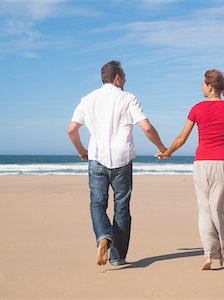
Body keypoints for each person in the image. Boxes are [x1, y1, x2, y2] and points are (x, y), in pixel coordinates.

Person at [157, 69, 224, 270]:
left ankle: (208, 254)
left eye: (203, 84)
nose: (201, 87)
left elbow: (181, 137)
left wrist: (168, 152)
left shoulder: (197, 108)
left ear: (210, 86)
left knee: (205, 209)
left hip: (201, 165)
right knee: (223, 211)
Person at [67, 61, 166, 266]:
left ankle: (103, 235)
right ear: (117, 78)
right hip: (122, 160)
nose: (126, 81)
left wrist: (81, 151)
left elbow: (71, 130)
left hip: (96, 158)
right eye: (125, 77)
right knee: (121, 208)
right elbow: (146, 127)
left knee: (97, 203)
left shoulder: (88, 99)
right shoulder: (128, 98)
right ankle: (117, 257)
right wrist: (162, 147)